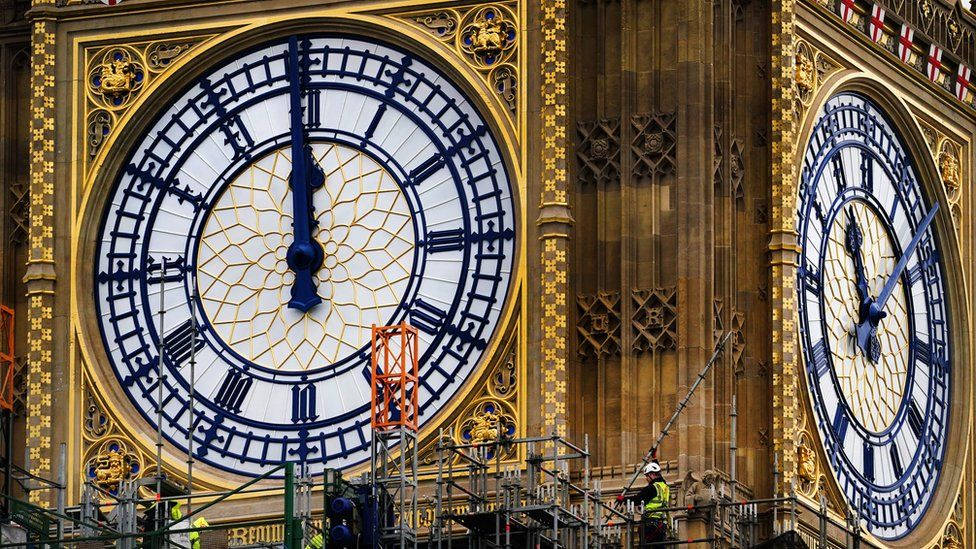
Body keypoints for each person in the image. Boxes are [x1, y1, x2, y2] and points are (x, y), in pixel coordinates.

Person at [617, 461, 670, 546]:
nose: (646, 478)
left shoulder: (652, 488)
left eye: (647, 475)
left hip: (650, 523)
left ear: (652, 474)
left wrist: (623, 499)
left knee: (646, 545)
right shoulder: (665, 487)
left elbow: (637, 499)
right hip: (661, 524)